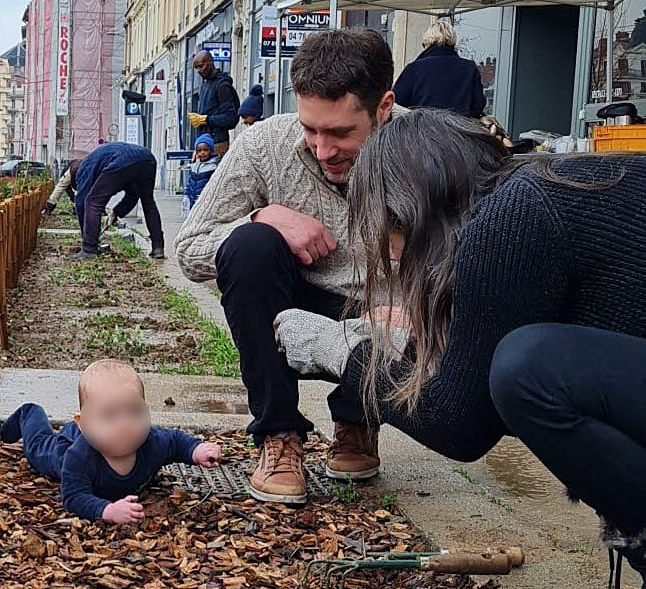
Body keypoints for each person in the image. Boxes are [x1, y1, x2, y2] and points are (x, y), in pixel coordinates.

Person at [274, 108, 646, 585]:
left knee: (527, 372)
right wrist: (410, 344)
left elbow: (461, 424)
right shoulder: (537, 188)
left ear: (408, 209)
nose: (392, 254)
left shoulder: (512, 217)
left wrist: (340, 350)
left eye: (385, 230)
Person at [175, 29, 402, 505]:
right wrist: (265, 216)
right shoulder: (265, 144)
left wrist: (415, 307)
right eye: (310, 129)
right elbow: (190, 250)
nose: (322, 149)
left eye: (340, 133)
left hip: (385, 312)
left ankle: (358, 420)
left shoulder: (425, 147)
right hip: (293, 304)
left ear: (383, 108)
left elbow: (467, 257)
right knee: (249, 247)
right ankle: (279, 435)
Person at [0, 360, 224, 524]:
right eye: (110, 416)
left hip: (92, 428)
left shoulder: (152, 442)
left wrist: (196, 450)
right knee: (38, 449)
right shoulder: (77, 456)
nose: (125, 425)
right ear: (83, 422)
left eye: (135, 412)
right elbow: (74, 497)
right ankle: (29, 414)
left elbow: (175, 442)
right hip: (69, 444)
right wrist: (106, 510)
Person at [71, 142, 165, 261]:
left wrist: (86, 236)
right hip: (147, 158)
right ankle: (158, 247)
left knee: (93, 202)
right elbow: (132, 196)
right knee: (148, 202)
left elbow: (81, 203)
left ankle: (89, 250)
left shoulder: (83, 169)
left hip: (123, 160)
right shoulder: (97, 161)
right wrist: (115, 213)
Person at [393, 20, 486, 118]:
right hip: (457, 125)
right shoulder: (469, 68)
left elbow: (396, 103)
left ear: (427, 42)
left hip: (422, 125)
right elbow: (478, 105)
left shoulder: (414, 68)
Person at [187, 50, 240, 157]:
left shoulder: (222, 85)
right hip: (205, 143)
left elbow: (231, 118)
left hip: (217, 143)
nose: (199, 71)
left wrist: (205, 119)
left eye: (201, 66)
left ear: (210, 62)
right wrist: (197, 147)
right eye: (196, 68)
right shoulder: (205, 85)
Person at [183, 134, 219, 217]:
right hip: (193, 199)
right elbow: (190, 182)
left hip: (205, 201)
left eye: (205, 150)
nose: (202, 153)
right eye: (199, 151)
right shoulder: (195, 166)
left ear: (211, 150)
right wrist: (186, 195)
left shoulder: (213, 166)